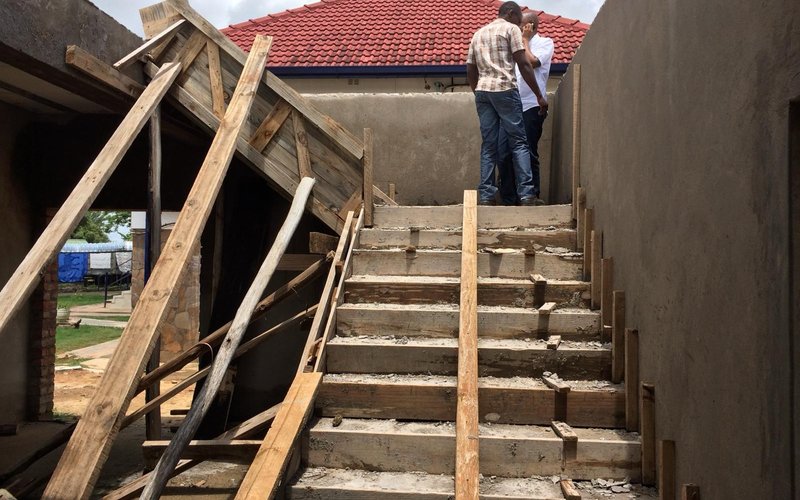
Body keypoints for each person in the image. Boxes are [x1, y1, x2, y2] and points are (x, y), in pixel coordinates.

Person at [466, 1, 548, 206]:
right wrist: (539, 95)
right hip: (505, 90)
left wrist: (477, 92)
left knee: (488, 146)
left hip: (483, 92)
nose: (521, 25)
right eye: (519, 20)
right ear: (511, 14)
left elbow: (470, 68)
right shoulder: (510, 29)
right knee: (519, 142)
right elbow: (524, 63)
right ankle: (527, 194)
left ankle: (486, 196)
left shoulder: (478, 34)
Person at [497, 12, 554, 205]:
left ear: (529, 26)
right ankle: (509, 198)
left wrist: (525, 40)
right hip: (511, 106)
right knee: (503, 152)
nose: (518, 29)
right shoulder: (514, 46)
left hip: (532, 105)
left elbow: (532, 61)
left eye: (521, 26)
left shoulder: (545, 43)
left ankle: (531, 195)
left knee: (529, 150)